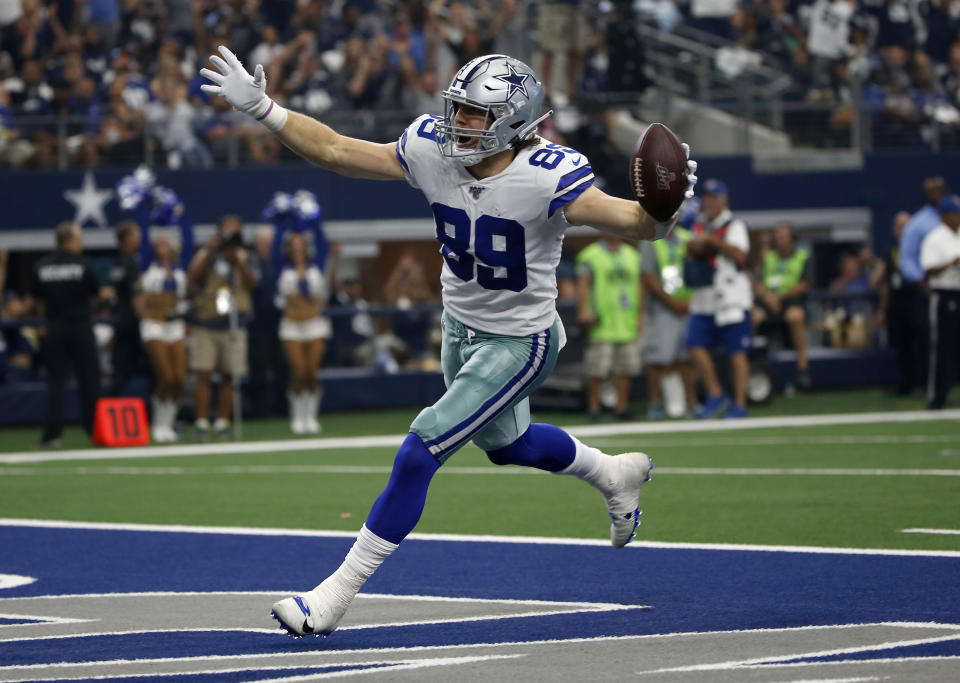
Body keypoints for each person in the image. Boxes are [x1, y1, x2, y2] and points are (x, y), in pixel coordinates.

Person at [201, 48, 696, 637]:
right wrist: (262, 107)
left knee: (420, 448)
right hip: (458, 327)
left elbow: (633, 224)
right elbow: (337, 150)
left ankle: (331, 598)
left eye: (475, 115)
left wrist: (662, 208)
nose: (459, 124)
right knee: (507, 446)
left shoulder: (548, 174)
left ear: (515, 122)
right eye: (457, 110)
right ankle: (612, 473)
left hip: (521, 341)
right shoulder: (431, 148)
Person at [684, 179, 752, 419]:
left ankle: (740, 404)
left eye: (714, 198)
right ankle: (715, 394)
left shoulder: (734, 225)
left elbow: (740, 255)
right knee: (694, 344)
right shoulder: (699, 224)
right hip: (704, 296)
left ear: (724, 200)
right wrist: (696, 246)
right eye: (707, 198)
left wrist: (712, 242)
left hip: (731, 297)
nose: (709, 202)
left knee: (737, 351)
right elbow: (690, 250)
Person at [187, 214, 258, 440]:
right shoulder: (205, 254)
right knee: (203, 373)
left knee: (230, 374)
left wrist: (238, 263)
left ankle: (222, 422)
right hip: (207, 320)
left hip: (234, 322)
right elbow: (192, 280)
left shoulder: (244, 254)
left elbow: (254, 283)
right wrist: (210, 252)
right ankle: (201, 423)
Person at [31, 222, 102, 448]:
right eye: (78, 238)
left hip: (55, 328)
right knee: (89, 382)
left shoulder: (41, 266)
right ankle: (95, 432)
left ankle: (52, 435)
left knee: (55, 383)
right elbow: (96, 293)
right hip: (80, 327)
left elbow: (37, 299)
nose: (81, 243)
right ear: (68, 240)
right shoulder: (83, 264)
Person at [267, 191, 331, 434]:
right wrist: (282, 221)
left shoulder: (316, 268)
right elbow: (274, 248)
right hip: (291, 325)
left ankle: (310, 417)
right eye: (292, 246)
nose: (297, 249)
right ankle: (297, 416)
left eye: (300, 245)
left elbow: (322, 242)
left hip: (314, 322)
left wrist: (314, 219)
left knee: (312, 372)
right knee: (298, 370)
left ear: (306, 247)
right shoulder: (282, 270)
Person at [135, 186, 195, 442]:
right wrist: (144, 204)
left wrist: (181, 215)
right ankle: (158, 424)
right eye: (157, 243)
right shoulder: (148, 265)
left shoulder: (180, 267)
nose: (162, 246)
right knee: (166, 375)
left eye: (165, 243)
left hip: (175, 323)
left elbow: (189, 238)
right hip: (154, 324)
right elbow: (145, 231)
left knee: (179, 379)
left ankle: (168, 423)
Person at [575, 237, 642, 421]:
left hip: (626, 320)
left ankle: (621, 407)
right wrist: (584, 311)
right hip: (601, 321)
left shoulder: (632, 254)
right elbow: (583, 284)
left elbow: (639, 285)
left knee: (625, 369)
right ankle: (594, 408)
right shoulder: (590, 255)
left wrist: (640, 314)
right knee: (597, 370)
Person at [640, 224, 698, 419]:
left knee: (686, 357)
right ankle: (656, 403)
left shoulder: (688, 237)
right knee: (658, 358)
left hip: (688, 304)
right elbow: (647, 276)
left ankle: (691, 402)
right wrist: (672, 302)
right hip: (661, 308)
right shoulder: (651, 239)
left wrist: (690, 300)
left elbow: (698, 267)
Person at [898, 177, 948, 391]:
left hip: (954, 286)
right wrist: (922, 283)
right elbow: (906, 258)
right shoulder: (918, 223)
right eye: (930, 190)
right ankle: (933, 387)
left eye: (938, 189)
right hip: (930, 287)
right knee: (931, 339)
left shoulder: (954, 214)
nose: (935, 193)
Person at [752, 222, 812, 389]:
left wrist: (779, 296)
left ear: (792, 239)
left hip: (791, 301)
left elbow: (804, 284)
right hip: (768, 303)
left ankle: (802, 368)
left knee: (796, 316)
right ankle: (753, 366)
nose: (779, 240)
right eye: (777, 237)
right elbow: (757, 283)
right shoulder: (769, 258)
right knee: (751, 317)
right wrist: (768, 296)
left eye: (782, 237)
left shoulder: (802, 256)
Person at [920, 195, 960, 410]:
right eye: (955, 213)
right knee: (943, 348)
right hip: (945, 294)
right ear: (945, 216)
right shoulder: (935, 238)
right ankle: (937, 397)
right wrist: (952, 263)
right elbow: (928, 269)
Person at [104, 219, 144, 397]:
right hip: (133, 325)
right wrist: (145, 321)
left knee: (123, 371)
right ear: (127, 238)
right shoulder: (129, 263)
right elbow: (135, 296)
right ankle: (103, 411)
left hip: (121, 322)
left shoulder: (118, 262)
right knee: (152, 369)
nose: (140, 238)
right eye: (136, 234)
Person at [879, 212, 913, 394]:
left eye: (906, 225)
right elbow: (883, 282)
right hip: (896, 304)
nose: (903, 230)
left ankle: (926, 384)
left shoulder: (921, 248)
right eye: (899, 226)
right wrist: (882, 310)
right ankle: (905, 384)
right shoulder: (890, 251)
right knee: (901, 346)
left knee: (924, 344)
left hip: (917, 302)